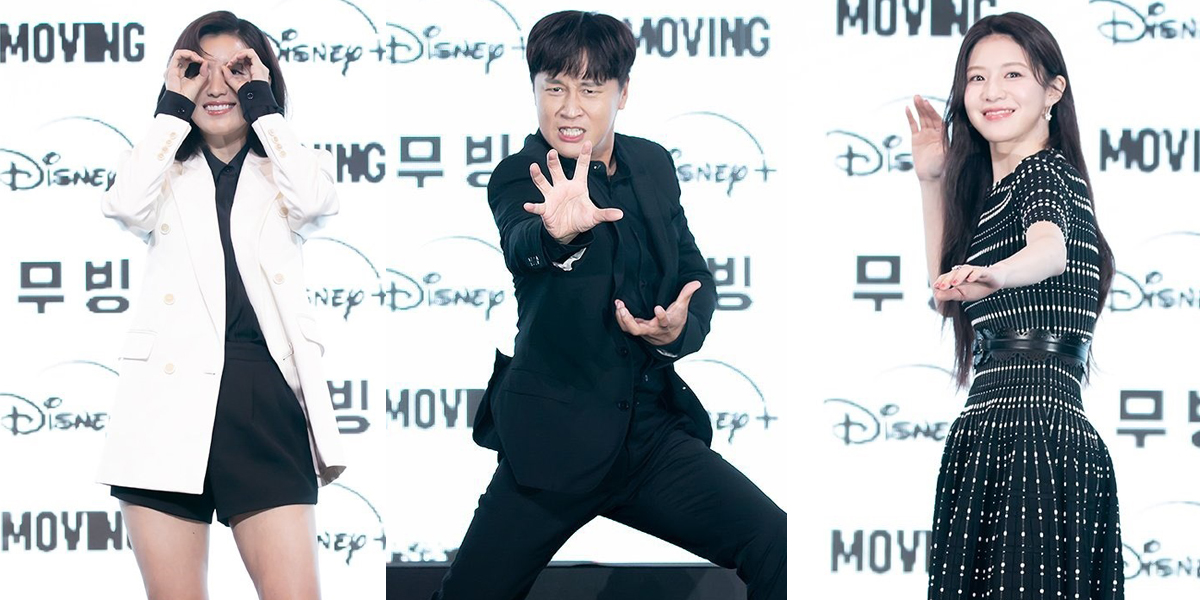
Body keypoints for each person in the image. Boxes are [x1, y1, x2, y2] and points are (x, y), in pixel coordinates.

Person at [432, 10, 786, 600]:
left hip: (648, 436)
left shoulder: (652, 164)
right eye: (555, 88)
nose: (570, 108)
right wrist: (560, 234)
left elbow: (693, 273)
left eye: (590, 89)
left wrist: (673, 329)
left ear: (624, 93)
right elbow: (525, 247)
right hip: (550, 444)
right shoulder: (521, 175)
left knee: (774, 541)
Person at [97, 10, 345, 600]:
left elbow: (316, 201)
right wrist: (169, 109)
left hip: (262, 399)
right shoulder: (161, 171)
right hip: (164, 402)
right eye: (197, 71)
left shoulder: (283, 171)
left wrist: (264, 107)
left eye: (236, 71)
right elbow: (125, 205)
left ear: (260, 81)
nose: (217, 86)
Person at [906, 11, 1122, 600]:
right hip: (989, 433)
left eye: (1012, 75)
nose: (992, 92)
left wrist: (996, 275)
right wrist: (930, 180)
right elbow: (945, 290)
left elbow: (1049, 250)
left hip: (1036, 438)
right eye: (976, 79)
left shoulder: (1048, 173)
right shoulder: (996, 191)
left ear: (1053, 90)